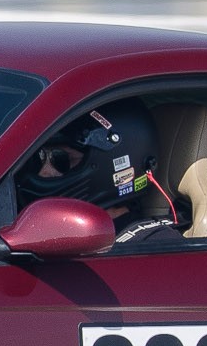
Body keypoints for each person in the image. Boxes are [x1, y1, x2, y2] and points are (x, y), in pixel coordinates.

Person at [16, 99, 182, 248]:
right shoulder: (51, 236)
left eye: (62, 160)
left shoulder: (154, 247)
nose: (43, 172)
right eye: (40, 158)